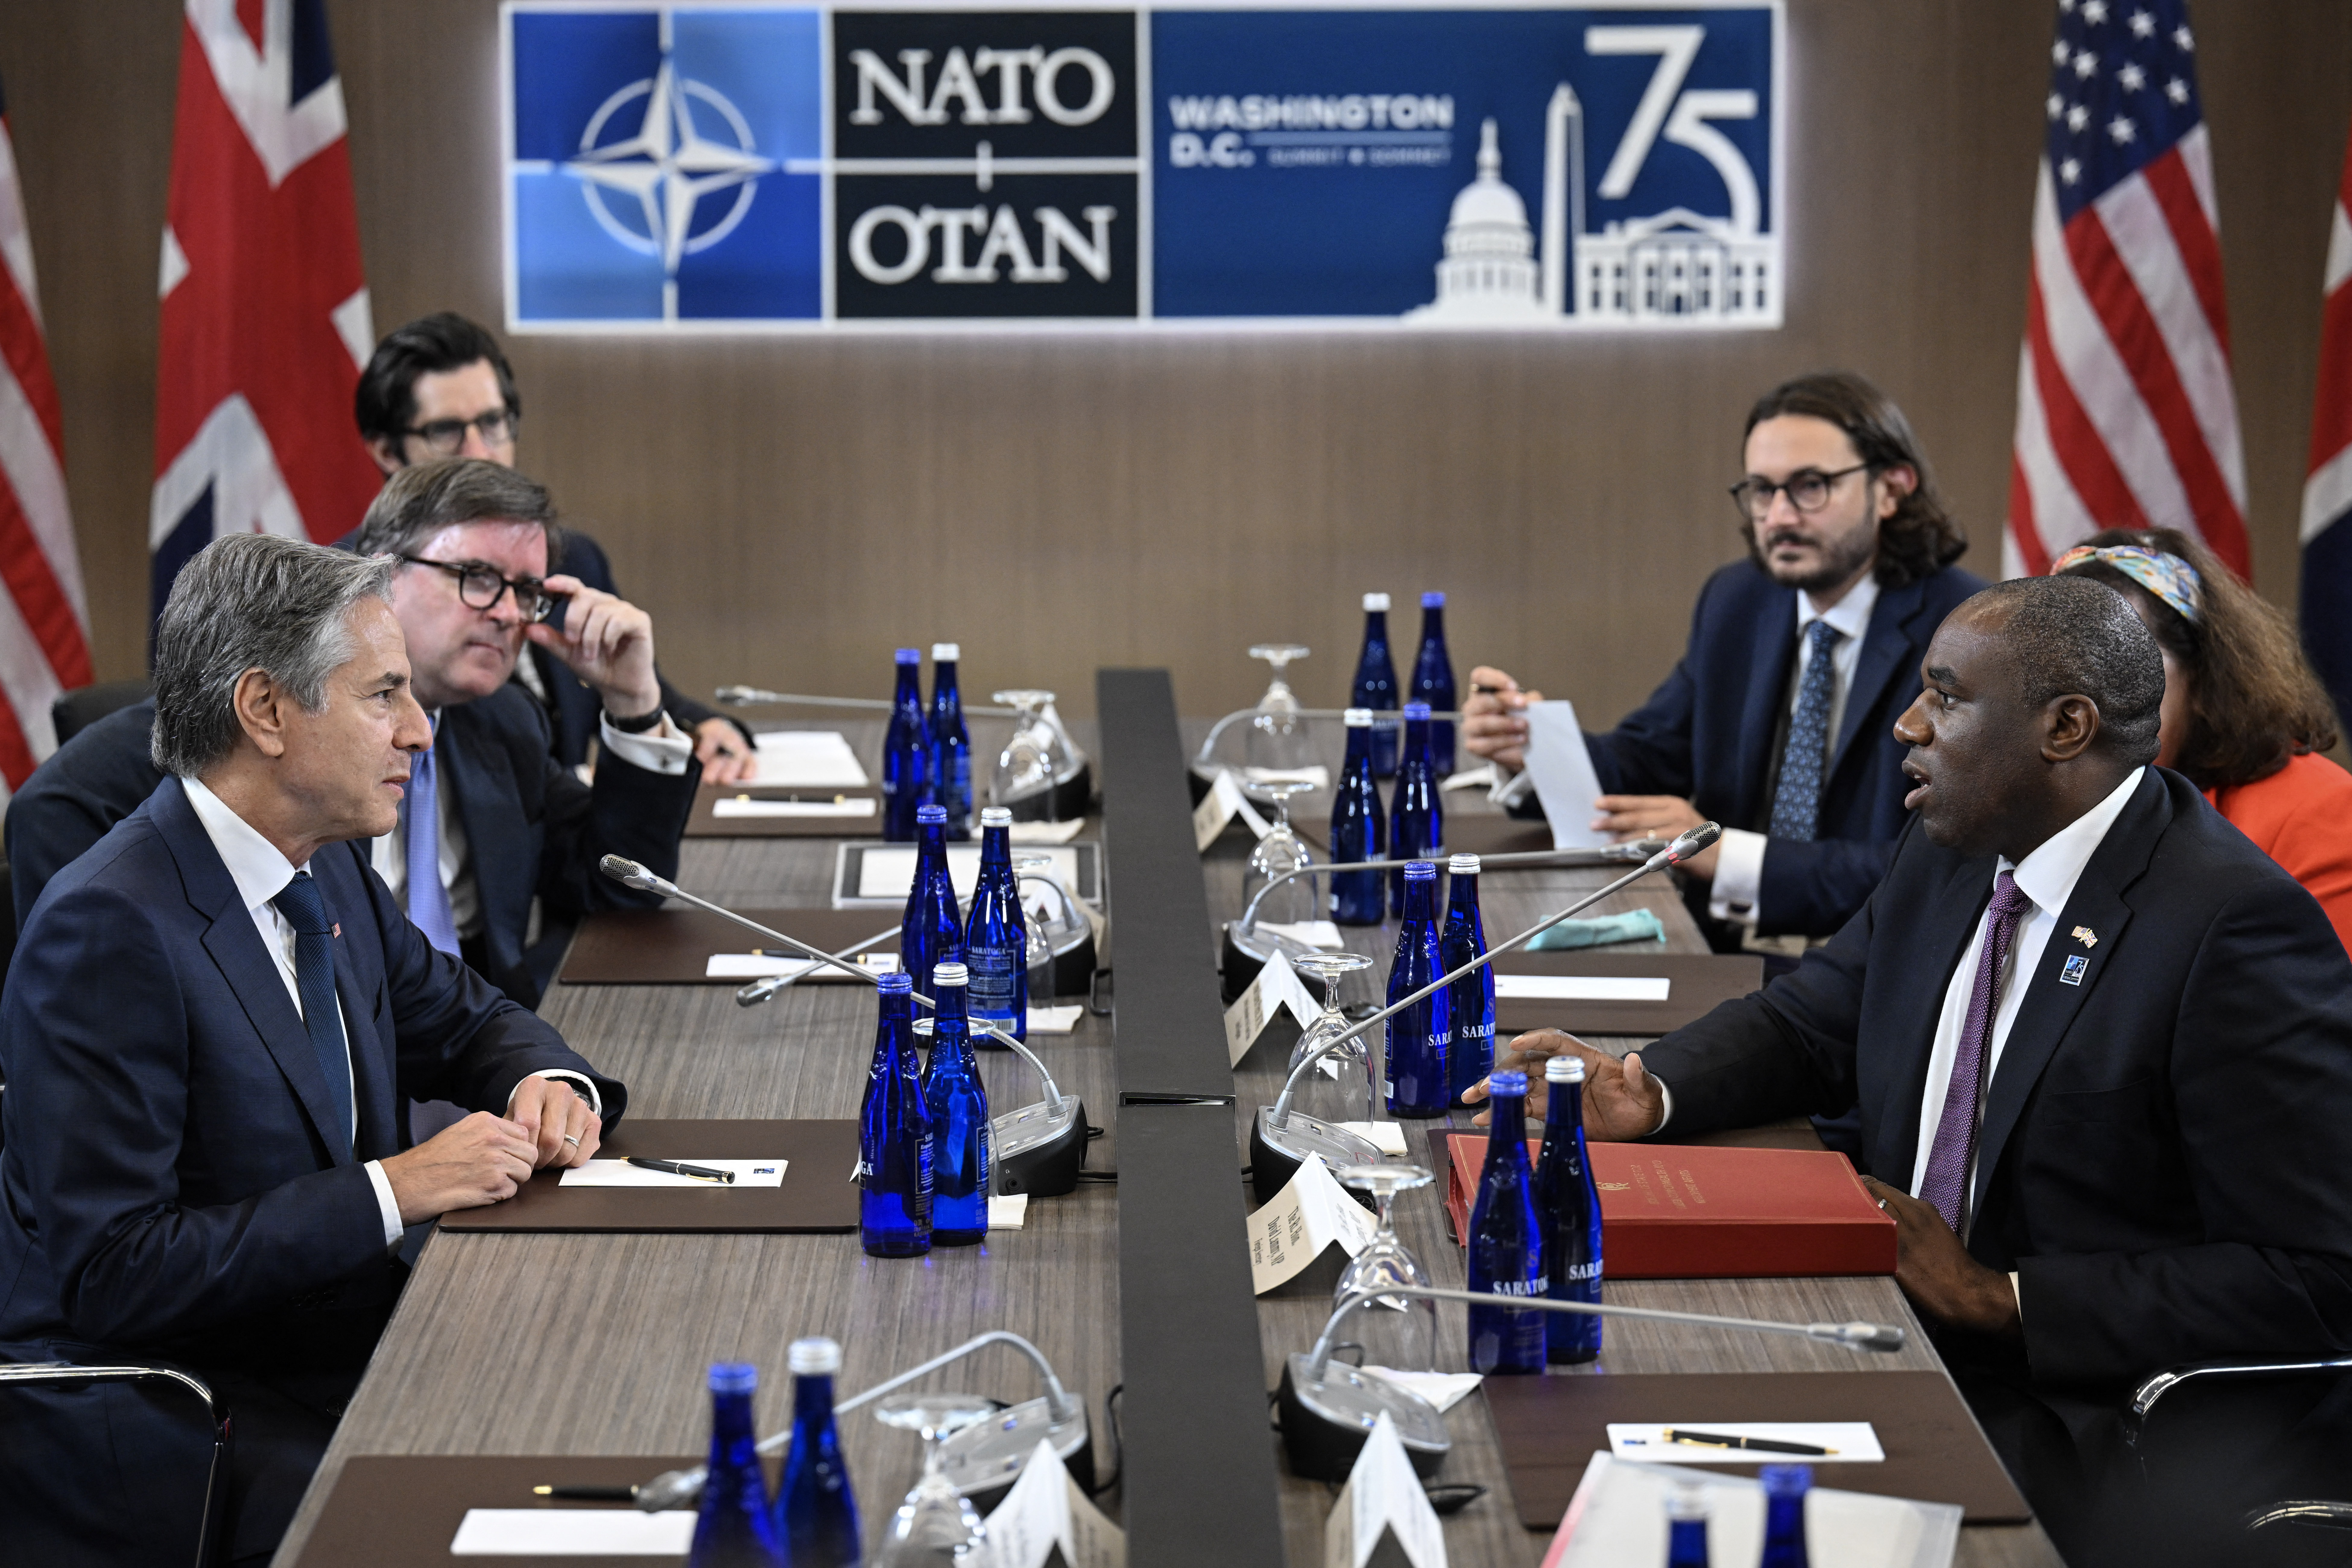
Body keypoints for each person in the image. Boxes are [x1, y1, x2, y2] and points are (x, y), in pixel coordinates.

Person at [1471, 576, 2352, 1563]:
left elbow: (2313, 1274)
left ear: (2066, 727)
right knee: (1580, 1409)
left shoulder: (2231, 928)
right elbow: (1818, 1018)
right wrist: (1652, 1085)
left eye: (1946, 696)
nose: (1907, 725)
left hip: (2061, 1407)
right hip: (1876, 1317)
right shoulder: (1959, 843)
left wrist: (2002, 1296)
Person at [0, 535, 625, 1567]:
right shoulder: (107, 930)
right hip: (186, 1407)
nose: (421, 732)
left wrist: (542, 1080)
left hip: (332, 1339)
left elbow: (464, 1018)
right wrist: (397, 1187)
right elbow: (116, 1274)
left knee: (596, 1396)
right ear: (265, 712)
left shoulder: (320, 867)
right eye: (385, 696)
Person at [5, 460, 699, 1007]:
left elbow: (618, 886)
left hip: (457, 1054)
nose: (510, 615)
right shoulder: (140, 775)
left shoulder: (503, 721)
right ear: (381, 572)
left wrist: (634, 703)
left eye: (527, 591)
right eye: (479, 578)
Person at [1462, 371, 1983, 944]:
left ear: (1891, 489)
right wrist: (1532, 746)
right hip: (1724, 951)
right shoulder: (1740, 601)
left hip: (1875, 969)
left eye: (1810, 486)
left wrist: (1732, 858)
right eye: (1762, 489)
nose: (1780, 516)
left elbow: (1946, 865)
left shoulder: (1966, 629)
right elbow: (1648, 757)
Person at [353, 310, 757, 782]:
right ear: (386, 452)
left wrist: (696, 722)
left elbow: (631, 683)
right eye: (446, 432)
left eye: (492, 423)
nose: (480, 451)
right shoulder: (347, 595)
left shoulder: (570, 558)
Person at [2055, 527, 2352, 953]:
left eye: (2123, 669)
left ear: (2202, 680)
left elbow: (2326, 1008)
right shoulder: (2019, 806)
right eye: (2060, 676)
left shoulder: (2316, 810)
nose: (2085, 710)